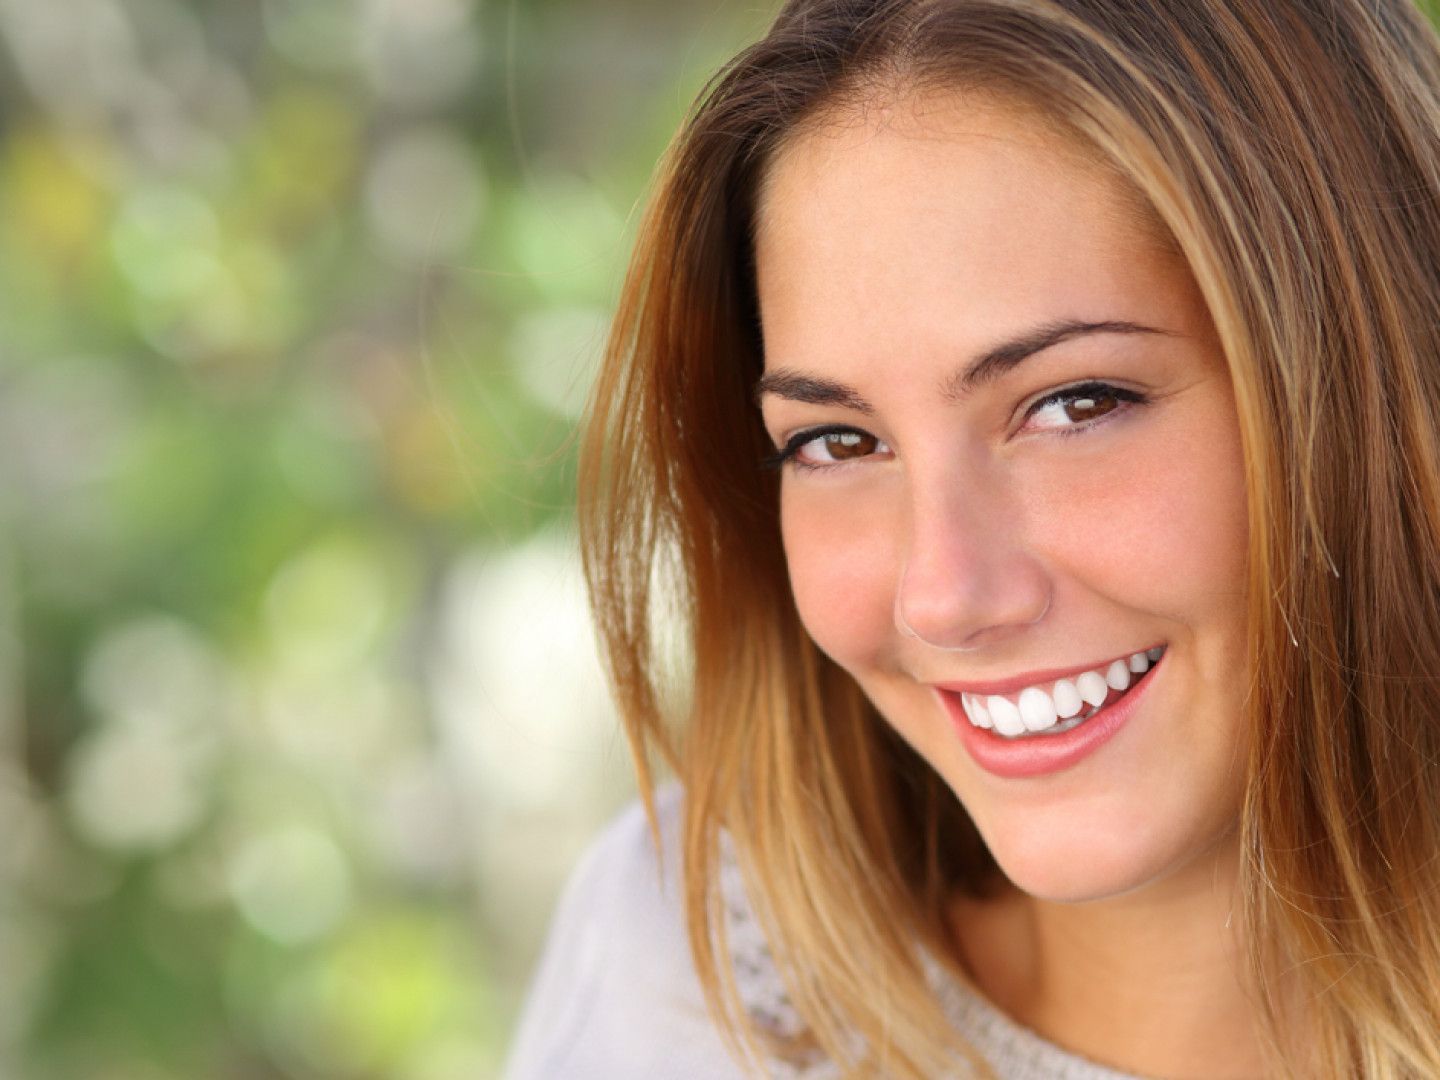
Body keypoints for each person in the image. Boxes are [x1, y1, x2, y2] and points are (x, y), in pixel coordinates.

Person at [505, 1, 1440, 1076]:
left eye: (1077, 404)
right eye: (838, 441)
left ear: (1377, 389)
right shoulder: (686, 977)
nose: (943, 596)